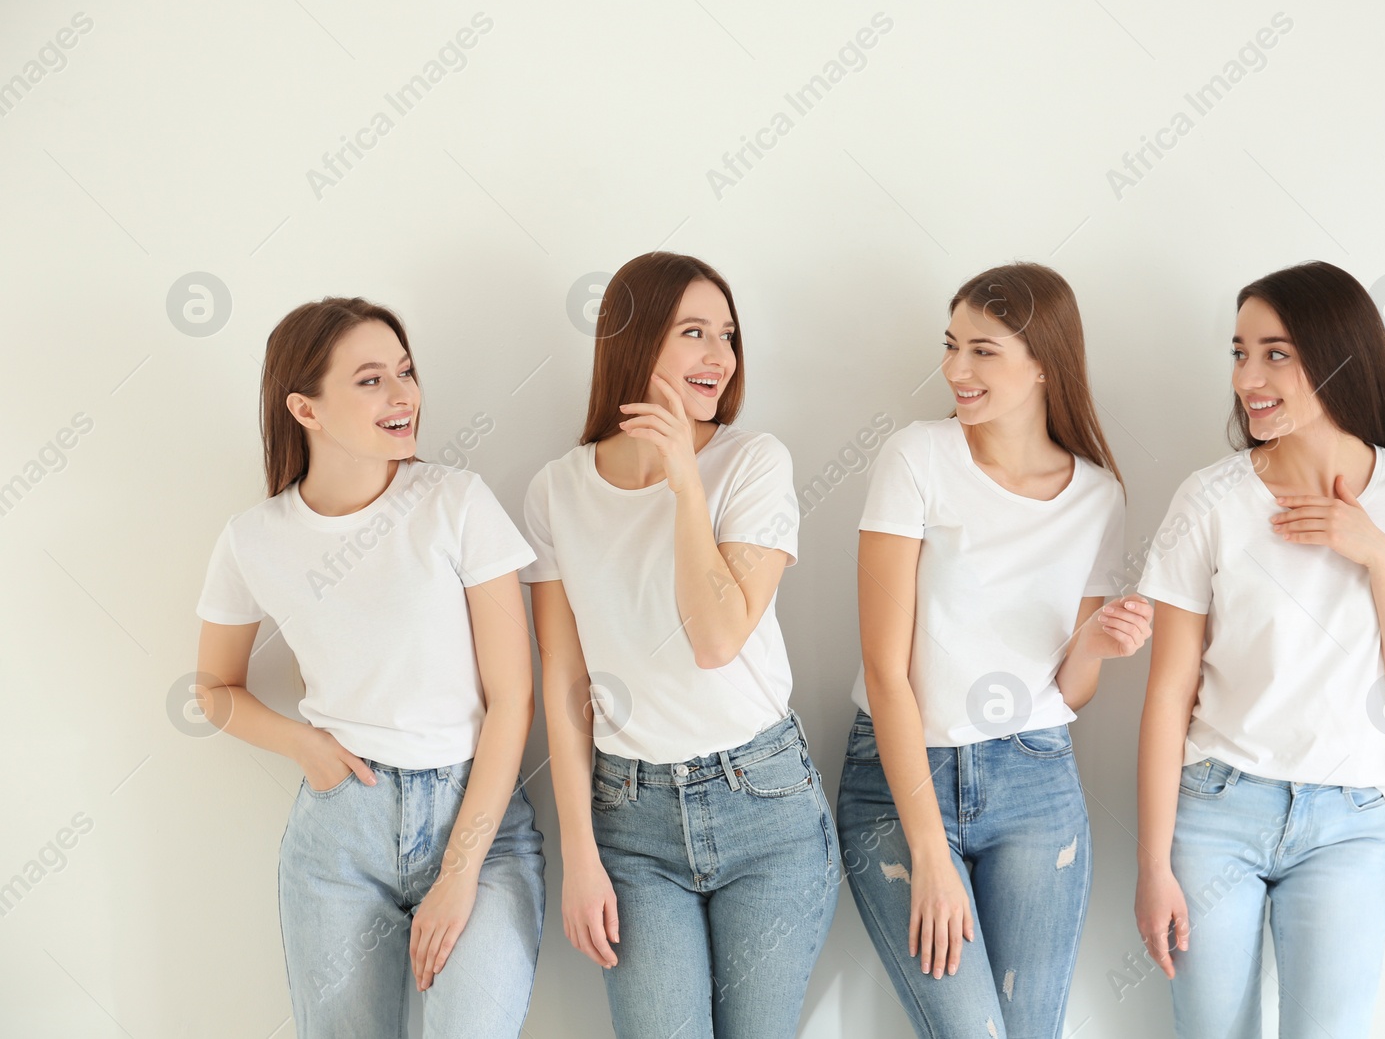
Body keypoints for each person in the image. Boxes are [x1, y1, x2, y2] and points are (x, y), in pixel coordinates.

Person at [1134, 261, 1385, 1038]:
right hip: (1216, 810)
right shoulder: (1210, 499)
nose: (1248, 376)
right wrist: (1153, 867)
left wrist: (1380, 557)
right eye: (1238, 352)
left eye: (1275, 353)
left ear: (1338, 358)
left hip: (1347, 822)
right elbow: (1166, 695)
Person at [193, 297, 544, 1037]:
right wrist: (303, 742)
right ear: (305, 408)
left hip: (476, 821)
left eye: (406, 372)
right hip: (338, 835)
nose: (403, 394)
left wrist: (458, 871)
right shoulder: (254, 538)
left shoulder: (456, 501)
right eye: (371, 379)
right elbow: (213, 688)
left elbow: (513, 698)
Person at [524, 252, 839, 1037]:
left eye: (726, 335)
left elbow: (717, 637)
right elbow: (566, 684)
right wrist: (581, 853)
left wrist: (685, 484)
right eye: (692, 331)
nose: (719, 356)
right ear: (632, 342)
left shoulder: (754, 462)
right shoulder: (555, 491)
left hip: (765, 805)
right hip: (631, 822)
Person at [838, 262, 1152, 1037]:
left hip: (1034, 777)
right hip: (903, 775)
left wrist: (1099, 644)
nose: (955, 370)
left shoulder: (1097, 495)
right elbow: (885, 667)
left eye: (982, 350)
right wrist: (929, 853)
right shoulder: (917, 457)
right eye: (952, 346)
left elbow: (1069, 690)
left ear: (1044, 360)